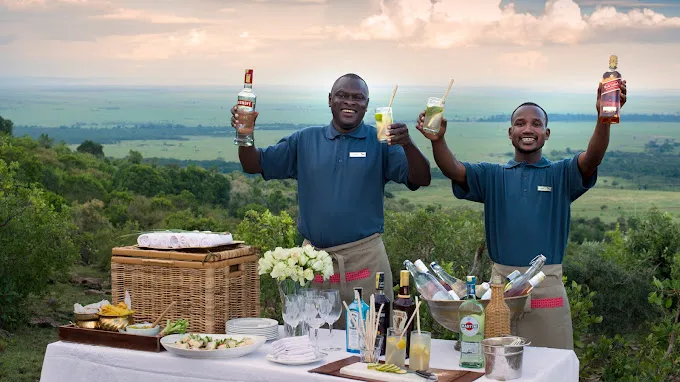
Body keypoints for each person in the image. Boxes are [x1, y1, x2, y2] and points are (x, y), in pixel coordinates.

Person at [415, 81, 627, 350]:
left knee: (551, 364)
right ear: (510, 132)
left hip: (546, 288)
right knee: (496, 366)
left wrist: (603, 118)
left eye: (536, 124)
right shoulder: (492, 175)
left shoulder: (562, 174)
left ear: (546, 133)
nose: (528, 129)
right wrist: (438, 140)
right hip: (498, 290)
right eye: (520, 123)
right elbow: (454, 170)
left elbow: (592, 157)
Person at [231, 73, 431, 328]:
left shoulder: (380, 142)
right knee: (314, 342)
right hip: (315, 263)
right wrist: (244, 134)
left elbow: (421, 178)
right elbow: (253, 164)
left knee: (373, 338)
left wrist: (408, 144)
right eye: (342, 95)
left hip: (366, 262)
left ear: (366, 105)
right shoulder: (305, 140)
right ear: (330, 100)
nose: (350, 102)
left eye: (358, 98)